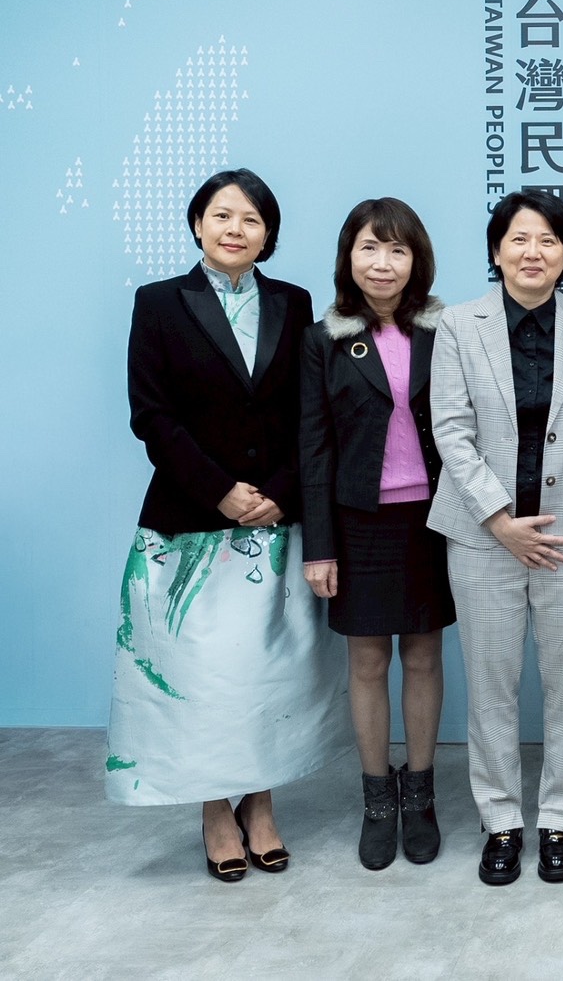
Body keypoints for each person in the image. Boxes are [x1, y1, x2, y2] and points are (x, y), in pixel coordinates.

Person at [110, 168, 347, 882]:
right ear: (197, 225)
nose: (235, 229)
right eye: (222, 215)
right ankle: (217, 808)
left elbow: (308, 410)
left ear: (268, 234)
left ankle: (261, 802)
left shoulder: (292, 302)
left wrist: (278, 491)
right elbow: (151, 415)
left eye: (251, 219)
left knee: (265, 674)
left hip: (274, 521)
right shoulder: (158, 303)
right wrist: (220, 492)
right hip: (190, 523)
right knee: (203, 678)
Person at [427, 191, 563, 886]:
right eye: (519, 239)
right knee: (491, 685)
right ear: (496, 249)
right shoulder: (458, 324)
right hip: (483, 537)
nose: (533, 252)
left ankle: (559, 819)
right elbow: (450, 428)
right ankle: (501, 820)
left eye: (548, 241)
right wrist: (499, 518)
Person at [299, 197, 454, 871]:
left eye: (397, 249)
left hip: (433, 518)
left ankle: (419, 794)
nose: (383, 263)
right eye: (369, 247)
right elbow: (313, 447)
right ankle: (376, 801)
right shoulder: (323, 340)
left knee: (423, 656)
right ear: (349, 258)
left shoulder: (445, 332)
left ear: (416, 259)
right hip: (358, 522)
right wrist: (319, 546)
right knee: (366, 663)